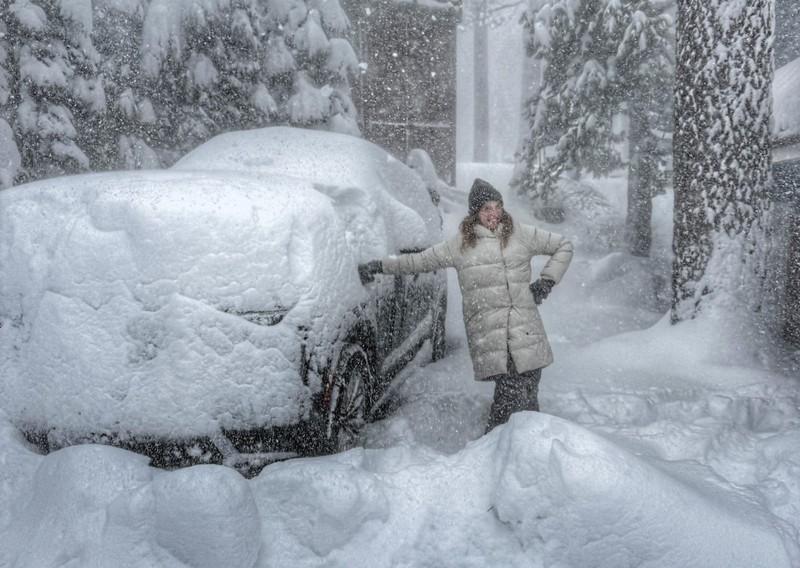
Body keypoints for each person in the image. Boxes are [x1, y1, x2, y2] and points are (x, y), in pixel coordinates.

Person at [358, 178, 573, 433]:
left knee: (527, 392)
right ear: (475, 214)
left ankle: (520, 452)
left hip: (525, 330)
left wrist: (545, 283)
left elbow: (563, 246)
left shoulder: (520, 234)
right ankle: (498, 450)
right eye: (486, 209)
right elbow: (418, 261)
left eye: (497, 207)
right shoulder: (461, 245)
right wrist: (381, 266)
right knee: (510, 399)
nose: (493, 214)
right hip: (491, 336)